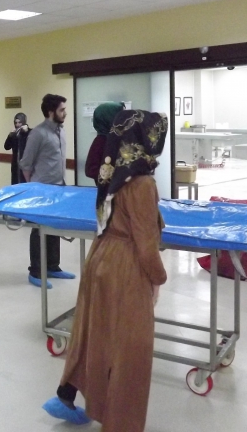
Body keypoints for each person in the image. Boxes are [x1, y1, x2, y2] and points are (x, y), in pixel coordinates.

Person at [43, 109, 168, 431]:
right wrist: (158, 278)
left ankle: (68, 395)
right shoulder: (142, 183)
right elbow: (145, 242)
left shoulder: (113, 172)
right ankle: (120, 420)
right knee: (130, 347)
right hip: (125, 265)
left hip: (101, 256)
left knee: (94, 334)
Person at [18, 94, 75, 288]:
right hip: (41, 190)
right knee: (39, 230)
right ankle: (35, 271)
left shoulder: (61, 130)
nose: (65, 113)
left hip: (59, 187)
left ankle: (52, 266)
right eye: (62, 110)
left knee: (54, 227)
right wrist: (33, 187)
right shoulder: (38, 133)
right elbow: (26, 164)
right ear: (51, 112)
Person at [85, 102, 125, 181]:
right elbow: (90, 170)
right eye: (120, 116)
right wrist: (113, 174)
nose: (123, 120)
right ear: (110, 118)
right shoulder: (101, 141)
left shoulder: (117, 138)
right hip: (108, 188)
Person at [4, 112, 29, 185]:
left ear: (23, 122)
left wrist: (26, 133)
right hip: (16, 165)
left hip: (26, 165)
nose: (17, 125)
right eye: (16, 122)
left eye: (19, 122)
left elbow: (32, 144)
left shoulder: (30, 132)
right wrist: (10, 135)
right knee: (15, 184)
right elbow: (6, 147)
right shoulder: (14, 134)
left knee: (25, 185)